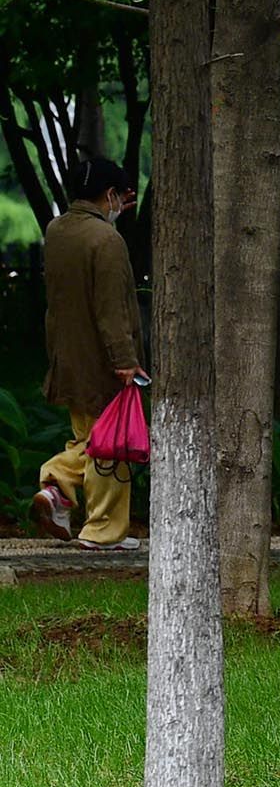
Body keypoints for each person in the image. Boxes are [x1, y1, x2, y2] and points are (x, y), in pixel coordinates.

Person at [33, 157, 145, 548]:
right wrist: (125, 361)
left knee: (90, 436)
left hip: (67, 357)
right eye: (121, 196)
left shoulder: (58, 230)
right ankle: (98, 526)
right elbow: (111, 309)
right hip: (101, 364)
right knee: (110, 446)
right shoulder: (107, 241)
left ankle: (58, 496)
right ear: (110, 194)